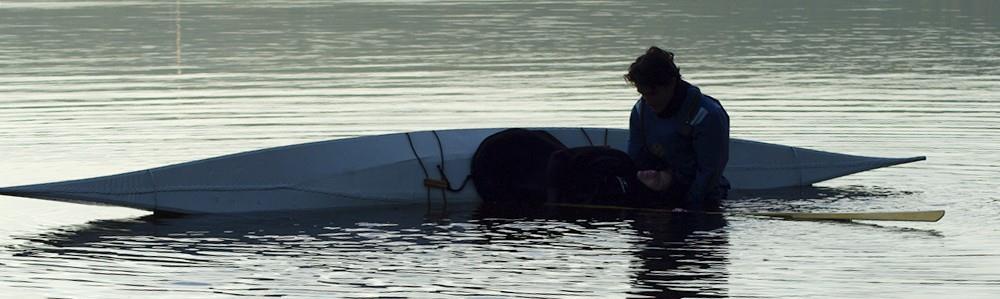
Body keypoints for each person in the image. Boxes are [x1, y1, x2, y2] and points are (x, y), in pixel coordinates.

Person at [625, 46, 730, 211]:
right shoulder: (640, 111)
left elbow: (709, 173)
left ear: (672, 83)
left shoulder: (708, 115)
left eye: (653, 93)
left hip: (702, 197)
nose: (648, 101)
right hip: (657, 189)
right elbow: (635, 160)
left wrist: (688, 207)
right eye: (642, 93)